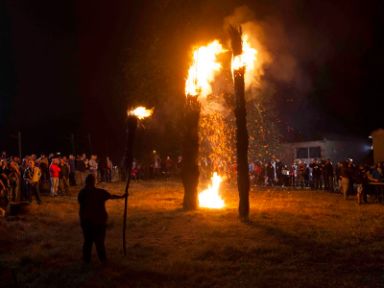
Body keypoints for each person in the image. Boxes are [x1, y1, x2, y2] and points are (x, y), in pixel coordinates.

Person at [78, 174, 126, 264]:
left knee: (88, 241)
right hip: (98, 221)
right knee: (99, 241)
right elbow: (112, 196)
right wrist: (122, 196)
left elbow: (81, 204)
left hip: (86, 221)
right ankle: (102, 260)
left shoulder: (82, 192)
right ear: (94, 182)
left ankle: (87, 260)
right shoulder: (99, 192)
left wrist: (122, 196)